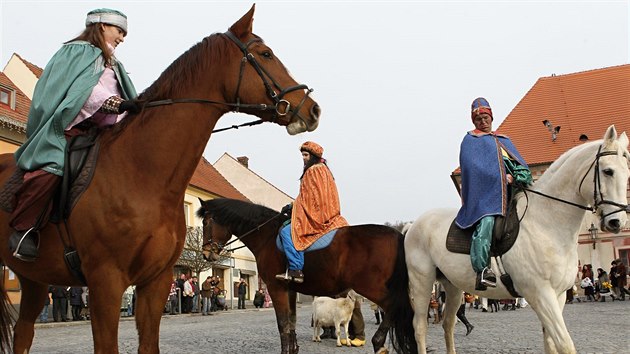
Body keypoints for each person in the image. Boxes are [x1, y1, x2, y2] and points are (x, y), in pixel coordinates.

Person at [8, 8, 139, 262]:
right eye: (119, 31)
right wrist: (117, 104)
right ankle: (23, 230)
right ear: (101, 26)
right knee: (52, 167)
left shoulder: (113, 64)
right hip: (65, 129)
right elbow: (84, 92)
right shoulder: (76, 52)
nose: (122, 38)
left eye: (124, 34)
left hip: (100, 132)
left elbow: (123, 97)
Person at [455, 97, 532, 290]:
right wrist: (499, 179)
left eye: (485, 117)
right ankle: (482, 270)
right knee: (486, 223)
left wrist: (516, 177)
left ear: (491, 117)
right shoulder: (470, 141)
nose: (483, 121)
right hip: (486, 197)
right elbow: (473, 170)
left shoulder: (503, 140)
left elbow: (522, 168)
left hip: (513, 193)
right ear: (474, 121)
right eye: (479, 118)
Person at [275, 141, 349, 283]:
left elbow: (309, 198)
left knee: (286, 232)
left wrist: (292, 206)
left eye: (306, 155)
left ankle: (296, 269)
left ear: (313, 156)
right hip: (328, 211)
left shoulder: (313, 171)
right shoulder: (324, 170)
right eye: (302, 155)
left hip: (316, 215)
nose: (303, 158)